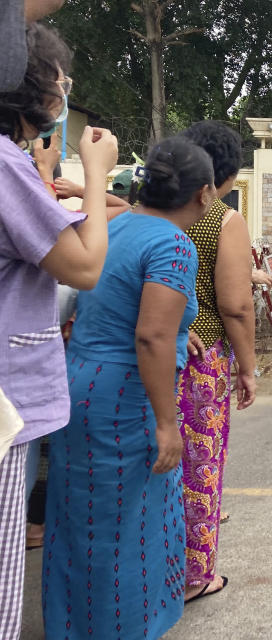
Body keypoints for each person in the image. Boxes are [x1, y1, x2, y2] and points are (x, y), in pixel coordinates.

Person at [42, 137, 214, 639]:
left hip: (78, 382)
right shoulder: (174, 244)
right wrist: (166, 424)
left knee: (80, 521)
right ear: (203, 194)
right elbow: (152, 335)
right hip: (125, 399)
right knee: (128, 529)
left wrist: (186, 329)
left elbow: (119, 302)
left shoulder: (115, 226)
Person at [0, 24, 116, 638]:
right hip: (7, 402)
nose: (64, 92)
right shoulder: (3, 164)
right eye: (59, 81)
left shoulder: (15, 164)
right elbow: (86, 264)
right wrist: (96, 172)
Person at [178, 120, 257, 603]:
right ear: (228, 174)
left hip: (150, 351)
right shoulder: (222, 219)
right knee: (200, 470)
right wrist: (247, 366)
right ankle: (195, 577)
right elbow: (236, 305)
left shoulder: (156, 213)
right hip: (201, 359)